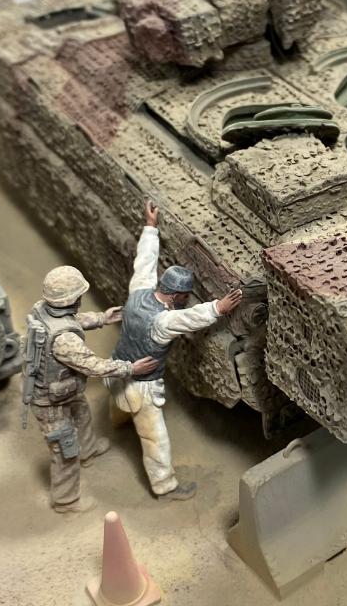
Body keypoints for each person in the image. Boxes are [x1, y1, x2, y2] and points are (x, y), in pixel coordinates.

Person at [108, 200, 242, 501]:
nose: (185, 299)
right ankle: (165, 486)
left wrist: (150, 228)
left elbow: (144, 262)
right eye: (185, 295)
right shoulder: (162, 321)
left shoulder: (138, 291)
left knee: (117, 401)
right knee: (155, 439)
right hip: (142, 386)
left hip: (117, 368)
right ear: (178, 295)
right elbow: (188, 319)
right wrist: (218, 308)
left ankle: (116, 423)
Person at [23, 266, 157, 513]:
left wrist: (102, 318)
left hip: (65, 390)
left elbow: (70, 321)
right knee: (65, 449)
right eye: (79, 296)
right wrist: (130, 368)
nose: (80, 300)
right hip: (50, 402)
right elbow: (94, 366)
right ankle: (66, 500)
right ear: (72, 299)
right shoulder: (65, 341)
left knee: (82, 413)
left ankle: (89, 450)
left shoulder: (42, 308)